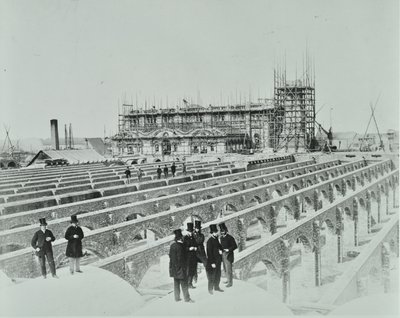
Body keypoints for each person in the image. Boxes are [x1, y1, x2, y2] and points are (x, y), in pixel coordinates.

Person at [169, 229, 194, 303]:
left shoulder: (172, 245)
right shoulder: (180, 247)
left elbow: (170, 256)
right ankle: (187, 299)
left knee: (176, 284)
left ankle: (177, 298)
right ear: (181, 238)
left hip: (174, 269)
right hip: (181, 269)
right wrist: (184, 267)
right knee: (184, 284)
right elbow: (181, 259)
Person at [206, 224, 224, 294]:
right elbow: (209, 253)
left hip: (218, 260)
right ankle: (210, 289)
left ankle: (217, 287)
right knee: (212, 276)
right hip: (213, 262)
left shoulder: (216, 239)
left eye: (216, 232)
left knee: (218, 274)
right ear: (212, 233)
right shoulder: (209, 241)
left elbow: (220, 247)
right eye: (214, 232)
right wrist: (212, 263)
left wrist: (221, 250)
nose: (216, 233)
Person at [219, 222, 237, 287]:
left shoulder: (230, 237)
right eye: (221, 231)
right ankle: (228, 279)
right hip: (223, 255)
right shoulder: (221, 238)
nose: (222, 233)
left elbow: (235, 246)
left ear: (226, 231)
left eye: (223, 231)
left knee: (229, 269)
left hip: (229, 255)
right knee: (225, 268)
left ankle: (230, 283)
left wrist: (228, 249)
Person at [183, 222, 198, 289]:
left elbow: (196, 244)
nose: (191, 232)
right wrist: (189, 248)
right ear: (187, 231)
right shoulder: (185, 238)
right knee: (188, 270)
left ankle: (190, 283)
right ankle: (187, 284)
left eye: (191, 231)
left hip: (193, 256)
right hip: (188, 257)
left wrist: (195, 247)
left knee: (192, 270)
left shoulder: (193, 237)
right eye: (189, 231)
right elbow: (183, 248)